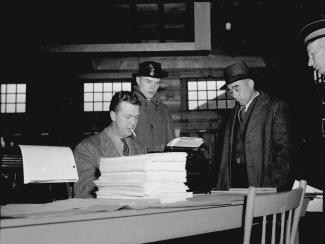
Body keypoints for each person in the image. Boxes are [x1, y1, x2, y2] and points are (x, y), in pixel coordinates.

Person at [216, 62, 294, 191]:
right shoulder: (233, 114)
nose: (234, 95)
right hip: (235, 181)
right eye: (230, 91)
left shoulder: (275, 108)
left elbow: (284, 153)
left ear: (251, 84)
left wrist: (273, 187)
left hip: (262, 182)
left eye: (237, 88)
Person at [73, 91, 146, 198]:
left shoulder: (140, 149)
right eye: (128, 117)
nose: (133, 123)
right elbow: (83, 192)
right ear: (113, 116)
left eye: (136, 117)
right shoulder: (87, 148)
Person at [132, 61, 175, 152]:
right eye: (148, 82)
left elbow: (171, 142)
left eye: (157, 83)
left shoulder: (164, 110)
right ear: (138, 80)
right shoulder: (128, 107)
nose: (153, 87)